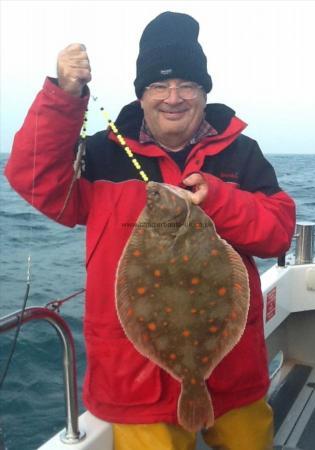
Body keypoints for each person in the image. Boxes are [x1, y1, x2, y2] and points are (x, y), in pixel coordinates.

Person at [5, 11, 296, 450]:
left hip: (234, 371)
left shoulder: (241, 153)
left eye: (187, 85)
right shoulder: (103, 153)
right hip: (136, 382)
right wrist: (65, 97)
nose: (173, 97)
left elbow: (277, 233)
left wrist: (217, 198)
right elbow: (35, 181)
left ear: (204, 91)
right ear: (141, 95)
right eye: (158, 85)